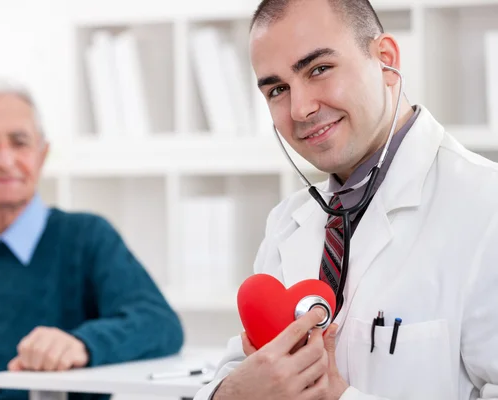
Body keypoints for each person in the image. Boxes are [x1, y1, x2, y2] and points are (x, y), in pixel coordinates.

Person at [194, 0, 498, 399]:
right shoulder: (289, 220)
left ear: (386, 60)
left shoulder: (484, 207)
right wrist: (232, 394)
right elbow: (240, 370)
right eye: (277, 89)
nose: (300, 109)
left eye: (318, 69)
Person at [0, 78, 184, 400]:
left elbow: (159, 323)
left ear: (42, 154)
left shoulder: (87, 237)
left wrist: (83, 344)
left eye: (19, 142)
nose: (4, 160)